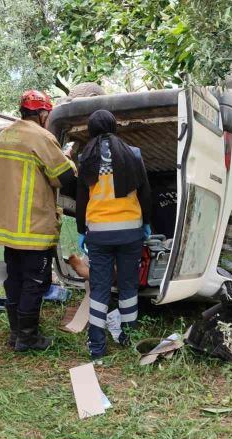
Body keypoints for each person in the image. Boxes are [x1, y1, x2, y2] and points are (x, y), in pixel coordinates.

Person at [0, 90, 76, 352]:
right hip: (33, 227)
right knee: (35, 282)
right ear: (44, 113)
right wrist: (71, 162)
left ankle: (16, 334)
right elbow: (64, 177)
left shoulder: (4, 135)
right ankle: (29, 338)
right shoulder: (41, 137)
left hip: (7, 227)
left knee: (14, 279)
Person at [76, 109, 152, 362]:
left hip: (99, 234)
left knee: (99, 289)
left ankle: (97, 347)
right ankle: (129, 338)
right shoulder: (133, 154)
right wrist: (147, 224)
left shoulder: (85, 158)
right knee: (129, 287)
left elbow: (81, 199)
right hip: (130, 231)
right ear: (113, 127)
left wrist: (81, 231)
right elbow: (145, 192)